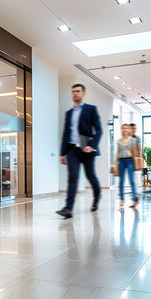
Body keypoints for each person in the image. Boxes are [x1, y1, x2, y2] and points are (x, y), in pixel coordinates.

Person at [57, 84, 103, 219]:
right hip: (72, 150)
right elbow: (66, 133)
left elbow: (99, 130)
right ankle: (68, 208)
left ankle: (97, 196)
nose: (75, 94)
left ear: (83, 94)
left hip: (87, 149)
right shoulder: (69, 113)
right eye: (73, 92)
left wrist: (92, 145)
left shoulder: (91, 109)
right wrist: (62, 153)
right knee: (72, 178)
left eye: (78, 91)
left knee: (91, 176)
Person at [116, 124, 139, 208]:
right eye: (123, 128)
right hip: (121, 161)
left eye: (126, 128)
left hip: (130, 161)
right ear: (121, 130)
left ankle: (133, 200)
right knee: (121, 181)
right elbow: (117, 153)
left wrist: (136, 161)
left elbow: (134, 152)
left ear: (128, 129)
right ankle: (121, 199)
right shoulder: (118, 141)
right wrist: (115, 163)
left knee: (131, 181)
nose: (125, 129)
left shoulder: (132, 140)